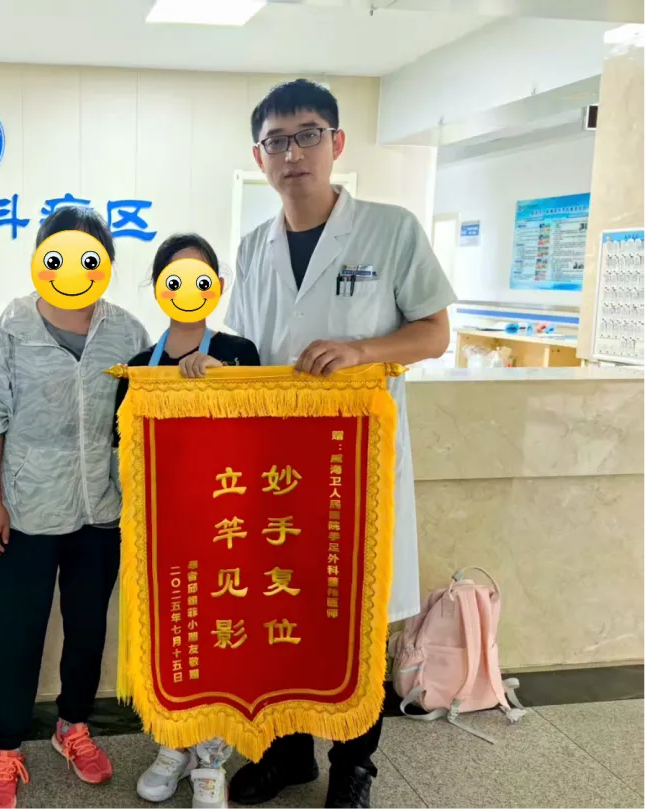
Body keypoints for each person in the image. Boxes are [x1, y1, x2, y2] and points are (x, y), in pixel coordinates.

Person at [224, 80, 455, 810]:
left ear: (336, 144)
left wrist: (362, 351)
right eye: (277, 141)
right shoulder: (252, 247)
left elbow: (435, 333)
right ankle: (289, 754)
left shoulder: (390, 230)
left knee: (356, 618)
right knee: (283, 611)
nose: (293, 153)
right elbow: (244, 352)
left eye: (308, 135)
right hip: (275, 470)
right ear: (259, 157)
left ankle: (355, 765)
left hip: (356, 470)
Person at [0, 206, 150, 810]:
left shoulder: (127, 333)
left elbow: (149, 413)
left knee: (88, 627)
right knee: (15, 632)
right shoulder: (13, 326)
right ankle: (5, 747)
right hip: (26, 508)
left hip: (102, 509)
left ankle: (73, 726)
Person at [118, 234, 260, 810]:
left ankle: (211, 761)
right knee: (170, 641)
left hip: (225, 528)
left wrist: (223, 381)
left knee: (219, 643)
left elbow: (262, 434)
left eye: (199, 279)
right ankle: (172, 744)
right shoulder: (139, 367)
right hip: (163, 531)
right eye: (173, 280)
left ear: (217, 287)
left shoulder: (240, 352)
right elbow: (122, 445)